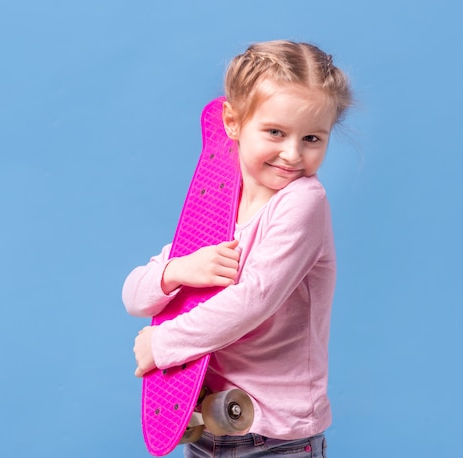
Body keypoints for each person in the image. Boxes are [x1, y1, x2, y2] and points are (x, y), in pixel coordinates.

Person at [123, 40, 352, 457]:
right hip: (207, 424)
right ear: (232, 121)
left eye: (312, 138)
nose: (292, 153)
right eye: (275, 132)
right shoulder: (215, 205)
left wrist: (163, 344)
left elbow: (254, 299)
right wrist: (175, 272)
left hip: (276, 435)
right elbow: (134, 296)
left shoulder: (303, 202)